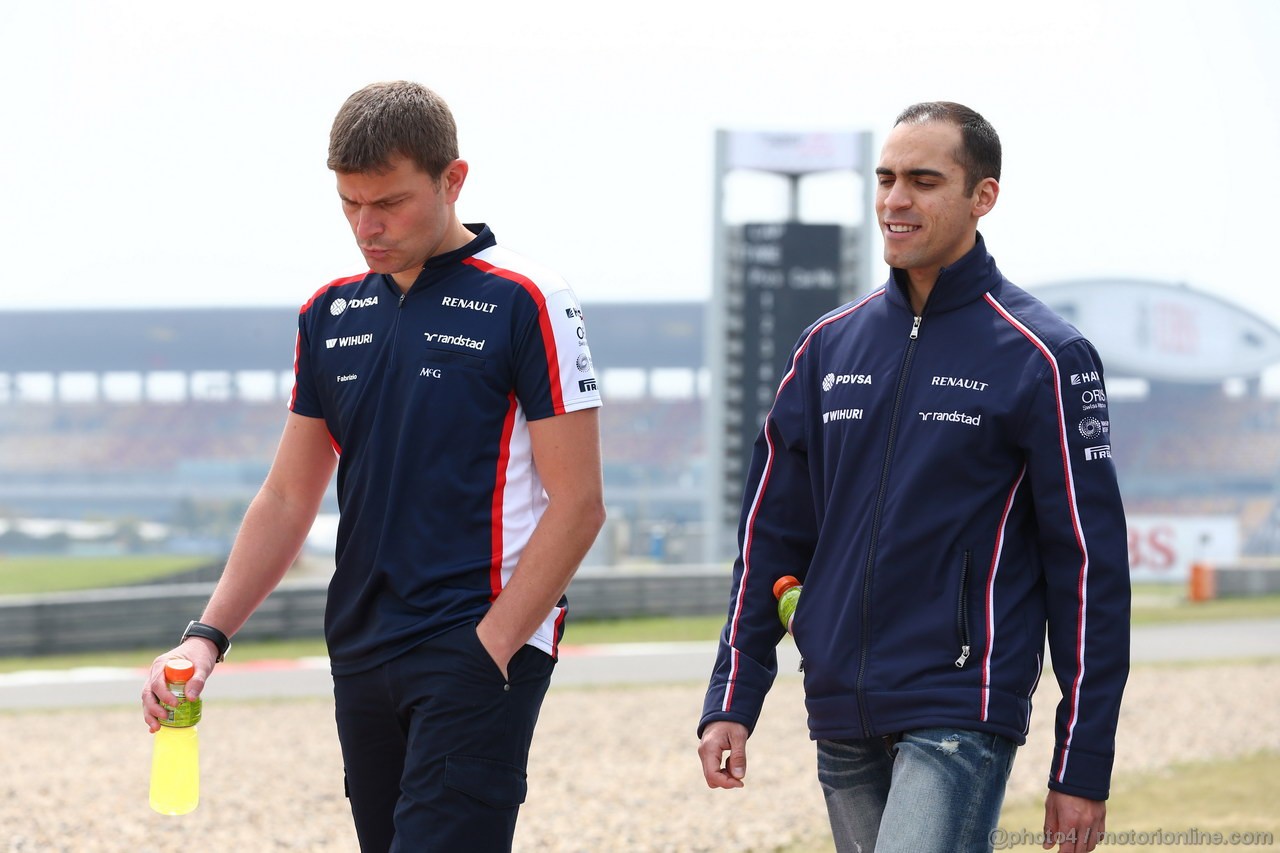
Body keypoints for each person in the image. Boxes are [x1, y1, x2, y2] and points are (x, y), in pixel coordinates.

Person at [141, 80, 606, 852]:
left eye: (388, 202)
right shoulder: (329, 311)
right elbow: (289, 495)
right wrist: (204, 637)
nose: (368, 226)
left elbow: (581, 502)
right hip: (360, 649)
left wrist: (490, 645)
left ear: (452, 180)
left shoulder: (529, 297)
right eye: (350, 204)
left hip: (474, 644)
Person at [696, 102, 1130, 853]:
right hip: (840, 707)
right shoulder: (826, 347)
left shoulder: (1045, 357)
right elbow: (770, 535)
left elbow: (1089, 570)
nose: (896, 200)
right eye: (887, 178)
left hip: (958, 703)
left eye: (924, 181)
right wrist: (733, 695)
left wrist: (1082, 760)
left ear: (981, 196)